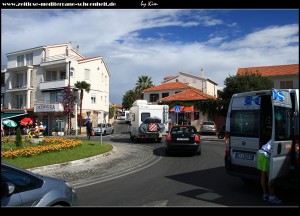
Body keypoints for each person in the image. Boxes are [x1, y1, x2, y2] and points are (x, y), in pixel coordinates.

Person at [257, 140, 282, 204]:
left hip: (260, 153)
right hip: (265, 156)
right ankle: (272, 197)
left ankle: (265, 195)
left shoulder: (272, 139)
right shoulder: (276, 139)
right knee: (270, 177)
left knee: (263, 175)